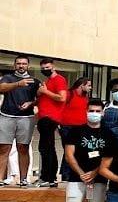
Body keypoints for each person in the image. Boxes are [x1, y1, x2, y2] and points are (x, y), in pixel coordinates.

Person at [55, 98, 113, 202]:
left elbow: (108, 157)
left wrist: (95, 173)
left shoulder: (108, 133)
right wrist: (81, 173)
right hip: (76, 179)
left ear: (102, 113)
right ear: (86, 111)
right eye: (91, 111)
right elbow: (69, 155)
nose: (94, 114)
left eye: (97, 111)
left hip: (99, 179)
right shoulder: (75, 131)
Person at [0, 55, 39, 186]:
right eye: (18, 63)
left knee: (23, 148)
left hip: (26, 118)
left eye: (23, 64)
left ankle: (23, 179)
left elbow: (41, 97)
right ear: (14, 65)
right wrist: (18, 84)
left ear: (28, 65)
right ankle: (0, 179)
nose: (21, 66)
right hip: (7, 116)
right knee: (4, 148)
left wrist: (31, 103)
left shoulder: (35, 81)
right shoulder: (7, 78)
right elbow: (1, 88)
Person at [35, 58, 68, 187]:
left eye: (47, 67)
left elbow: (62, 98)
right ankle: (47, 177)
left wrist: (45, 91)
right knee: (45, 147)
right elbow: (44, 98)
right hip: (43, 117)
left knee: (47, 147)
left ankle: (48, 177)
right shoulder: (48, 81)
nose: (45, 70)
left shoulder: (59, 79)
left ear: (53, 66)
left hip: (50, 118)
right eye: (43, 68)